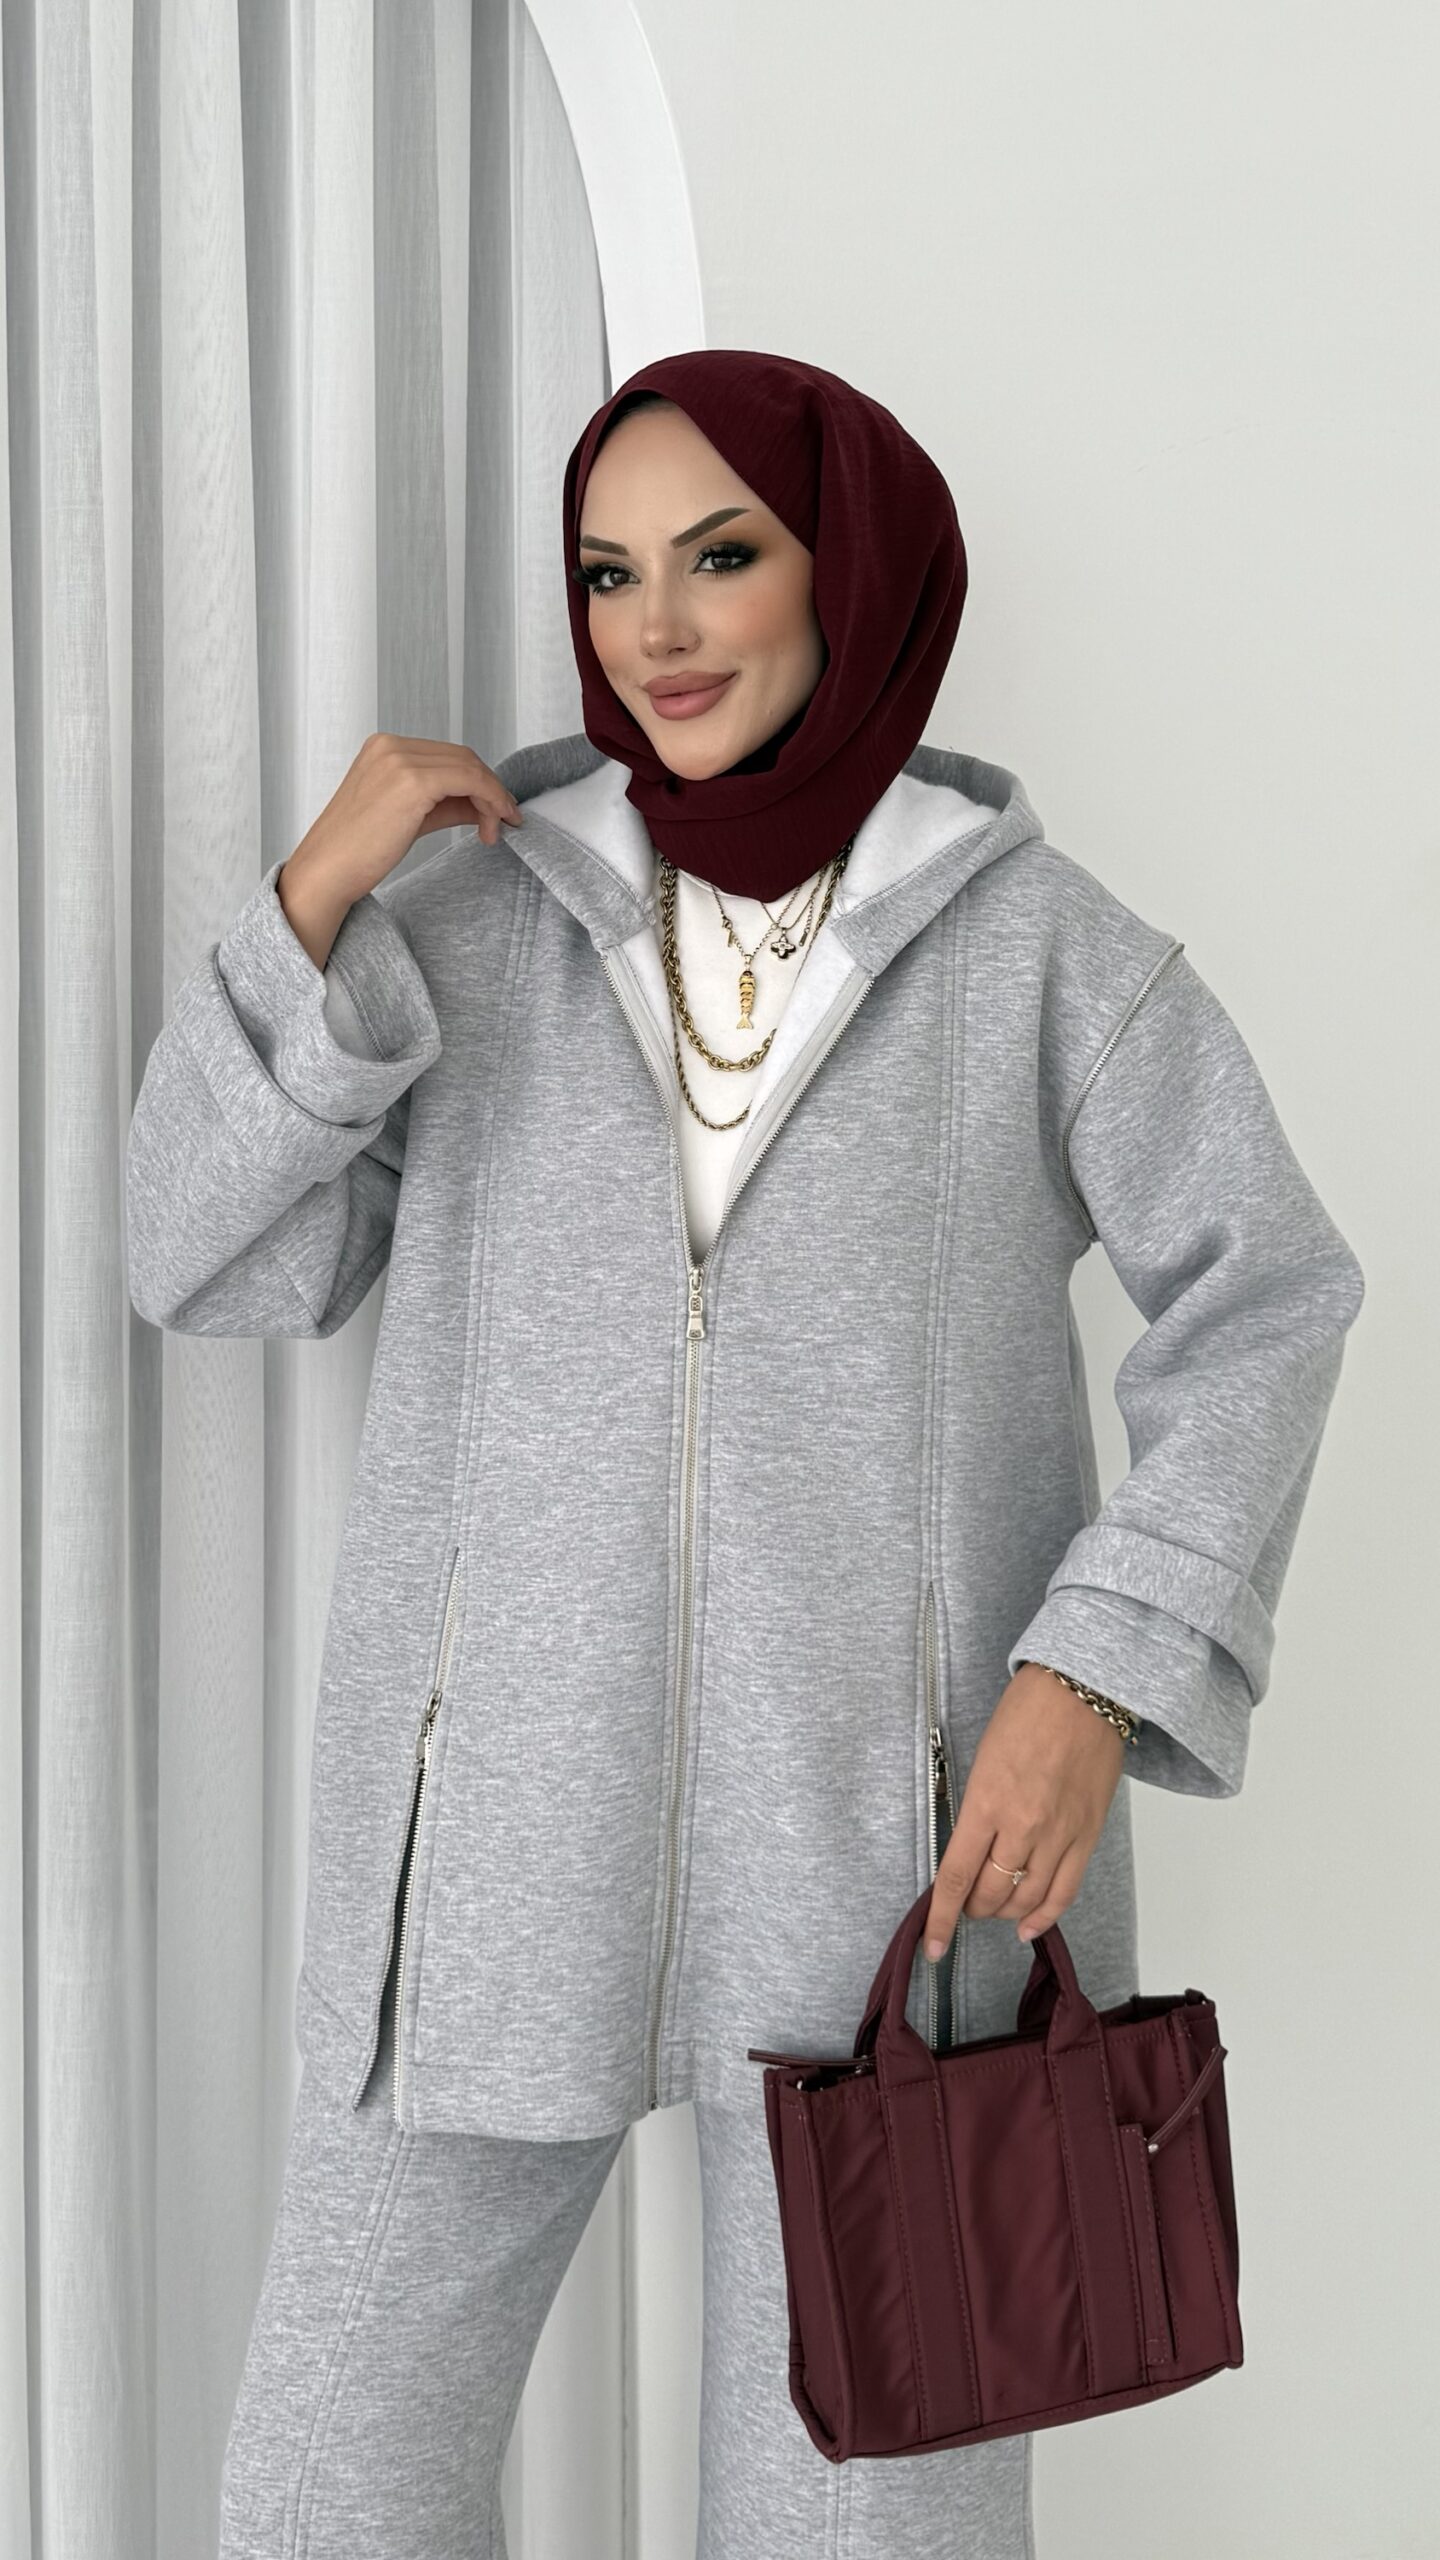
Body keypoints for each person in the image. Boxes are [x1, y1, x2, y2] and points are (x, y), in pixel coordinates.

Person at [125, 349, 1365, 2557]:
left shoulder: (1044, 957)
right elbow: (201, 1260)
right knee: (322, 2495)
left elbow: (1269, 1293)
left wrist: (1094, 1675)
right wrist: (308, 909)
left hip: (901, 1871)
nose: (659, 629)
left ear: (851, 570)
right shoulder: (474, 925)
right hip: (487, 1849)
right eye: (610, 573)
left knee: (858, 2534)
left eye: (722, 556)